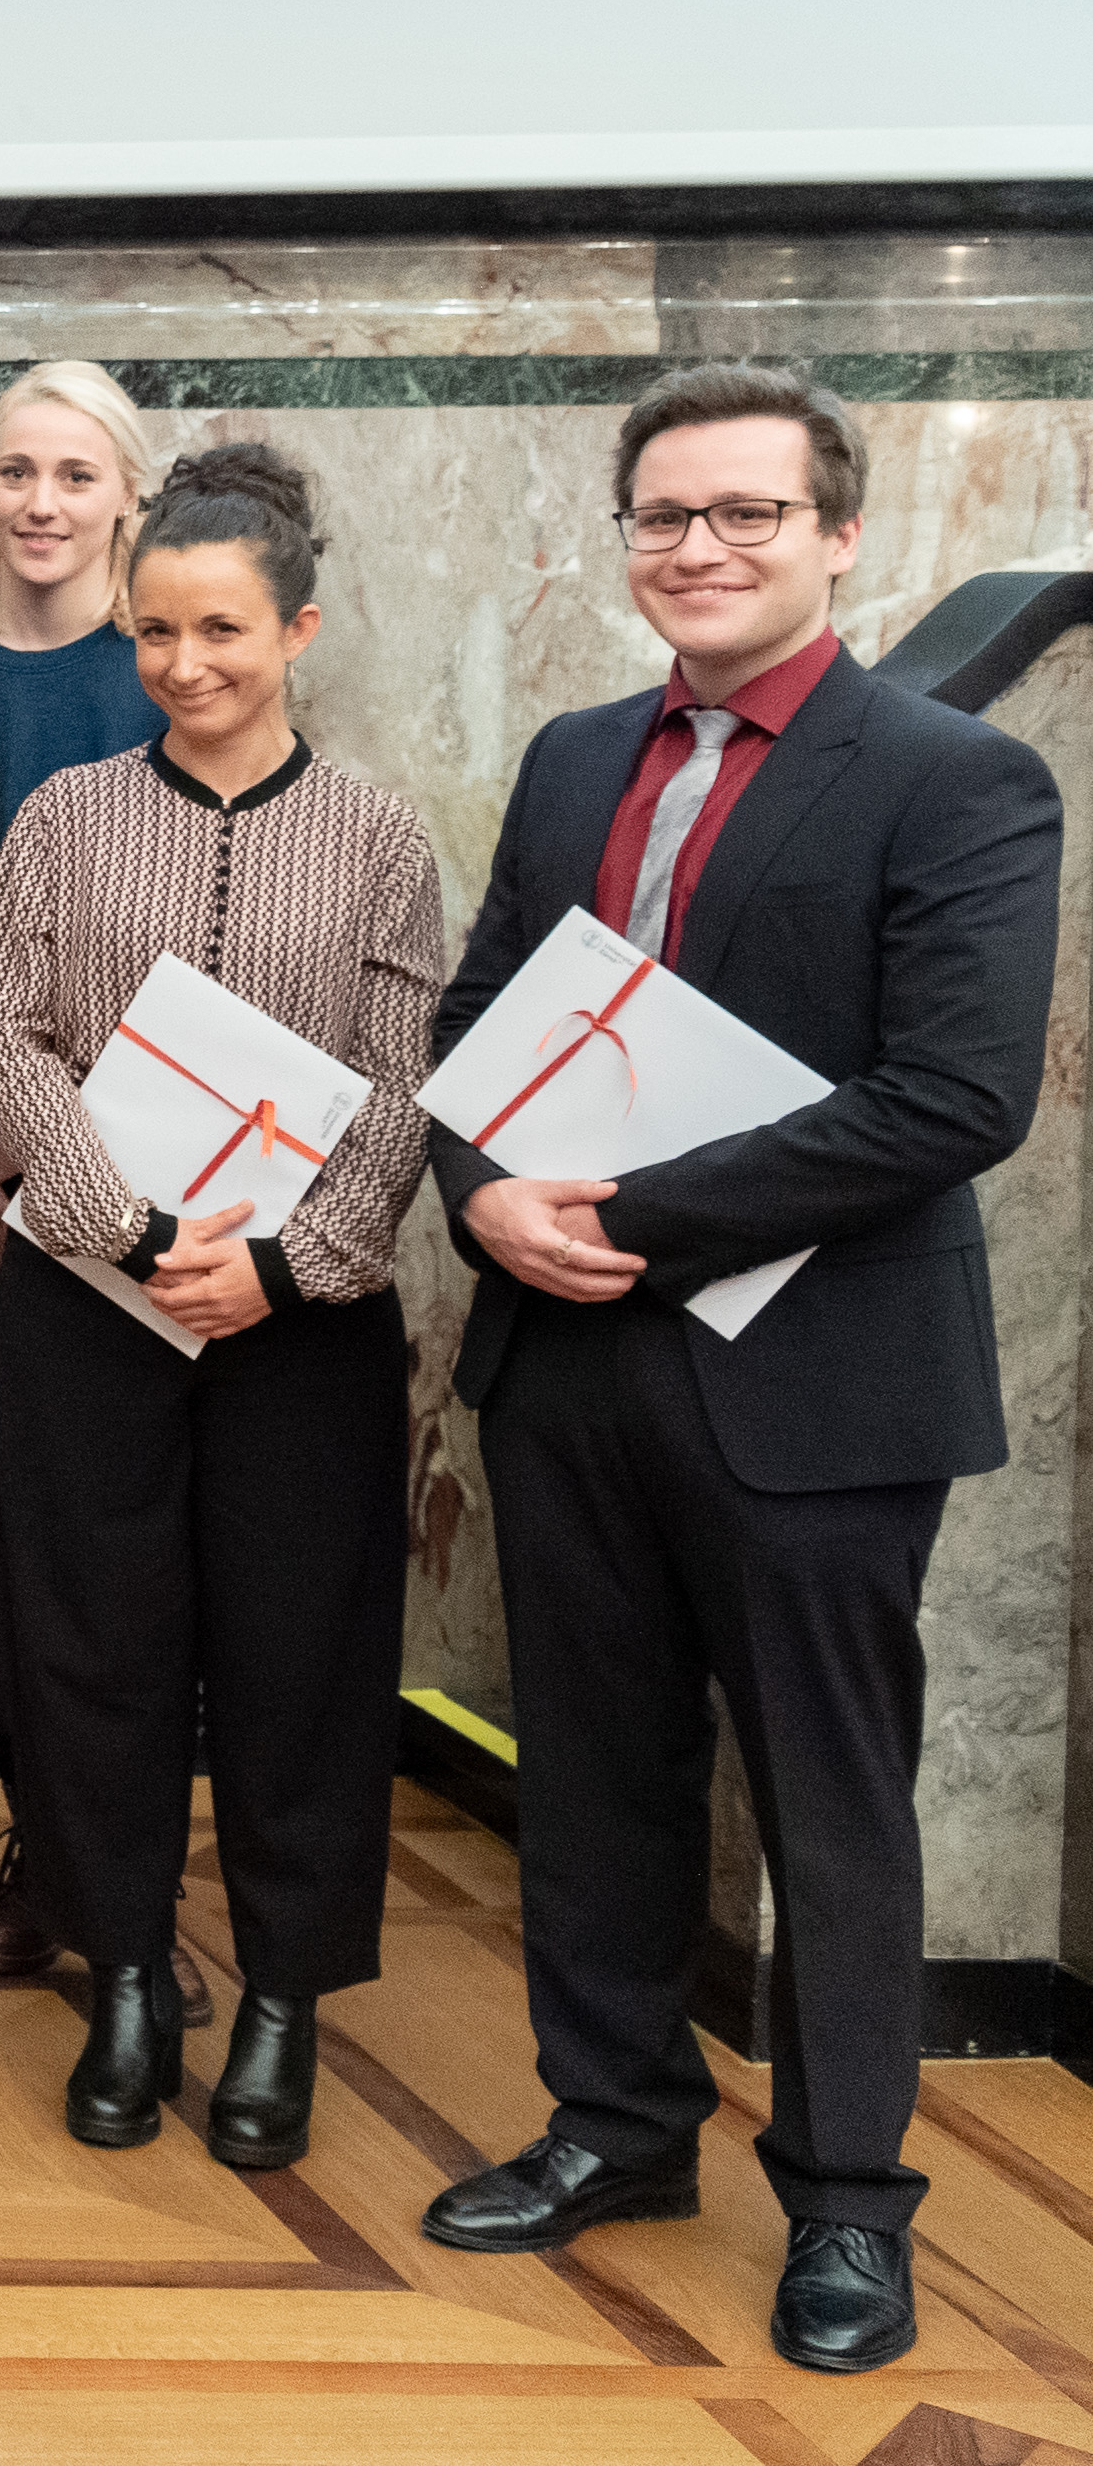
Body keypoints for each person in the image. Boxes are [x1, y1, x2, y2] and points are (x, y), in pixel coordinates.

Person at [415, 364, 1057, 2378]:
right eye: (662, 519)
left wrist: (623, 1205)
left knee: (826, 1802)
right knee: (593, 1779)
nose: (694, 551)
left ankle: (851, 2208)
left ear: (838, 535)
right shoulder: (568, 756)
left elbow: (952, 1097)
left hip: (815, 1386)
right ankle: (613, 2130)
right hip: (568, 1359)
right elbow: (473, 1019)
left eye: (741, 516)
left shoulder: (947, 776)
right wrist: (476, 1192)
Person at [0, 445, 438, 2168]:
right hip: (91, 1300)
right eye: (155, 628)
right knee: (95, 1641)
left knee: (302, 1653)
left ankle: (288, 1995)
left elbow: (404, 1082)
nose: (187, 664)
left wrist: (287, 1260)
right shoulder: (66, 816)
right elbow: (4, 1027)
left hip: (301, 1324)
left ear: (297, 626)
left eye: (224, 628)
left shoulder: (380, 832)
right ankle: (133, 1976)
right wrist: (125, 1222)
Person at [0, 359, 165, 1982]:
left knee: (121, 1541)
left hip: (140, 1169)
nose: (44, 502)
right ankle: (54, 1858)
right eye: (18, 470)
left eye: (76, 473)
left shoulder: (176, 666)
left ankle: (116, 1880)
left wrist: (66, 1146)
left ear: (126, 492)